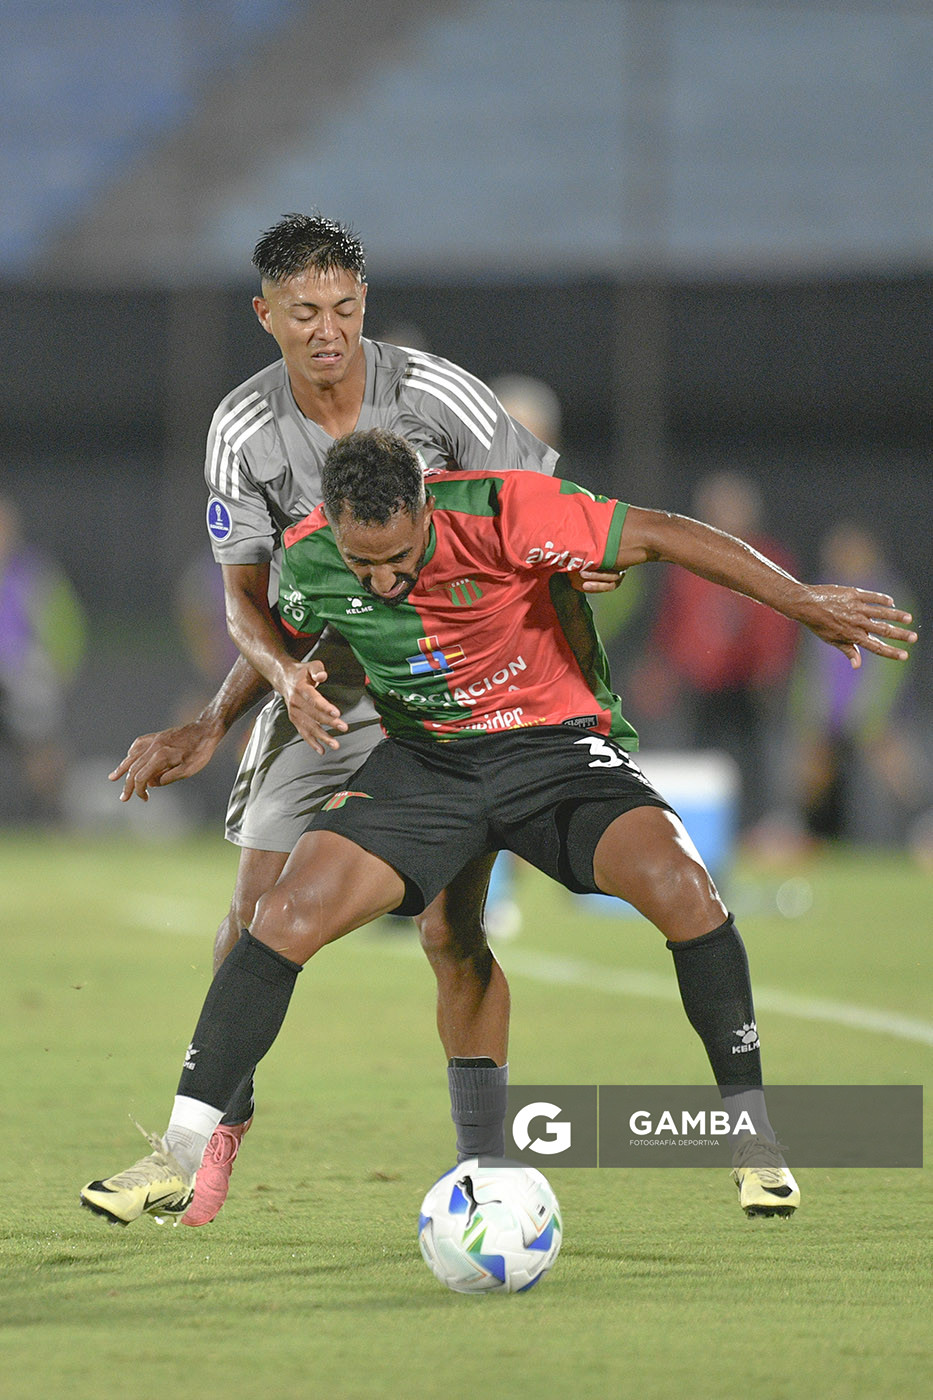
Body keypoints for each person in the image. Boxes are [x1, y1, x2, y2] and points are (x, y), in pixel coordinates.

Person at [81, 430, 916, 1227]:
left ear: (426, 509)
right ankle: (179, 1153)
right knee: (289, 917)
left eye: (400, 560)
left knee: (684, 888)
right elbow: (286, 632)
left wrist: (802, 603)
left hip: (551, 750)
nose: (380, 584)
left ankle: (752, 1135)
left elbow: (662, 535)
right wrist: (209, 724)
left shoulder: (505, 510)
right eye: (362, 564)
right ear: (334, 528)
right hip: (429, 763)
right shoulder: (307, 556)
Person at [107, 213, 621, 1226]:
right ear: (267, 316)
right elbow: (244, 601)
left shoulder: (435, 393)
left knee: (451, 927)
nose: (328, 327)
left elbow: (550, 500)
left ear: (363, 303)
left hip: (455, 687)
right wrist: (259, 690)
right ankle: (210, 1139)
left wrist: (571, 570)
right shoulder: (244, 430)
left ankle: (489, 1169)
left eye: (344, 306)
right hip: (326, 688)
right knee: (254, 917)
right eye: (304, 311)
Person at [630, 471, 799, 835]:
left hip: (748, 684)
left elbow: (779, 622)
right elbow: (671, 624)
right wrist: (661, 670)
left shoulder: (768, 558)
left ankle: (759, 829)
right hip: (698, 685)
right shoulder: (690, 563)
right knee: (699, 761)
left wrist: (772, 668)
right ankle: (700, 830)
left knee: (752, 761)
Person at [0, 494, 87, 821]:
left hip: (22, 676)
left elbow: (65, 626)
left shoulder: (34, 574)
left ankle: (54, 815)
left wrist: (59, 669)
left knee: (41, 747)